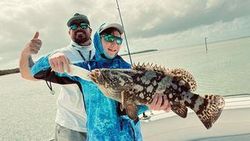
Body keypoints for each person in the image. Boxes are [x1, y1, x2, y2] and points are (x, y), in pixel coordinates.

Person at [20, 13, 171, 140]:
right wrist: (50, 58)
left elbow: (128, 110)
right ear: (99, 39)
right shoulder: (85, 68)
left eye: (118, 40)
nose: (114, 43)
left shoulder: (128, 69)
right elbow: (36, 72)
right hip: (79, 128)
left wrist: (151, 104)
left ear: (91, 31)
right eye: (109, 38)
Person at [19, 13, 94, 141]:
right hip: (70, 126)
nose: (78, 28)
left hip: (98, 126)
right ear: (69, 32)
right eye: (73, 26)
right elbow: (27, 74)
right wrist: (26, 52)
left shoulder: (102, 53)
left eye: (83, 25)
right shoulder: (59, 55)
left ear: (90, 30)